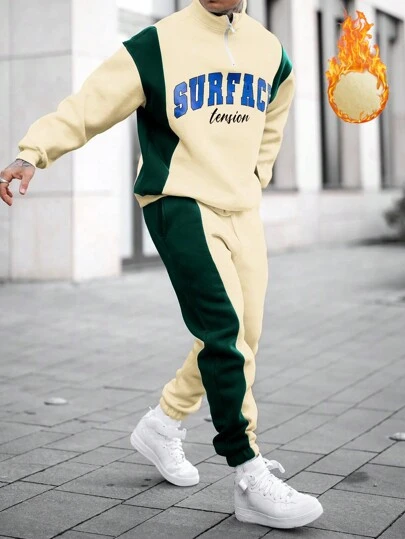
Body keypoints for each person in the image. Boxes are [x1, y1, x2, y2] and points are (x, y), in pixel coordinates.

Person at [0, 0, 324, 529]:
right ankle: (247, 471)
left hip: (241, 206)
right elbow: (90, 104)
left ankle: (165, 422)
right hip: (179, 200)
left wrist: (258, 174)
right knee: (224, 331)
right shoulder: (157, 44)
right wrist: (32, 152)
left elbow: (278, 105)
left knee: (244, 332)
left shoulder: (270, 51)